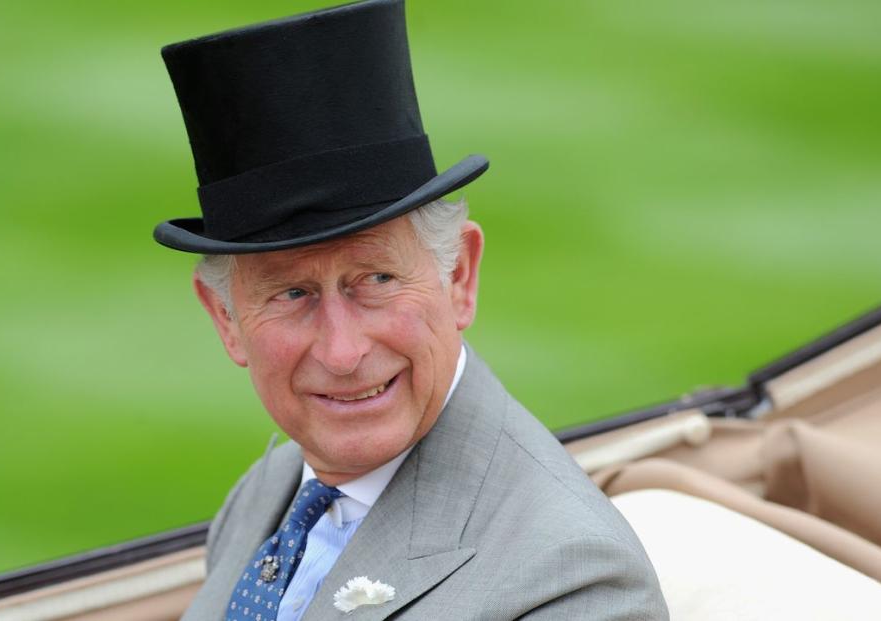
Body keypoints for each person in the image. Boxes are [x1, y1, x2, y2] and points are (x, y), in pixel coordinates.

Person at [153, 0, 669, 618]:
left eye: (375, 278)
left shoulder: (575, 580)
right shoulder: (272, 485)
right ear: (225, 318)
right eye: (292, 294)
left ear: (458, 276)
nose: (343, 354)